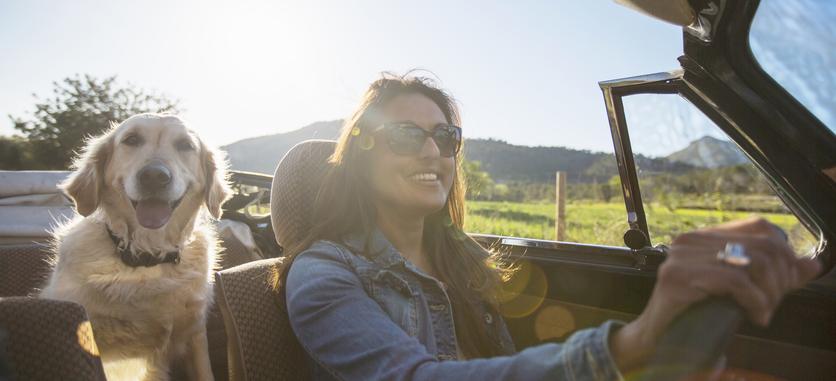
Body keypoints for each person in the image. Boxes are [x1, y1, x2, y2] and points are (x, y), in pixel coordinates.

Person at [278, 74, 821, 380]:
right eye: (405, 135)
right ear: (360, 156)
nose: (432, 150)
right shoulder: (322, 276)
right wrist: (631, 344)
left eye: (446, 137)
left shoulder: (462, 256)